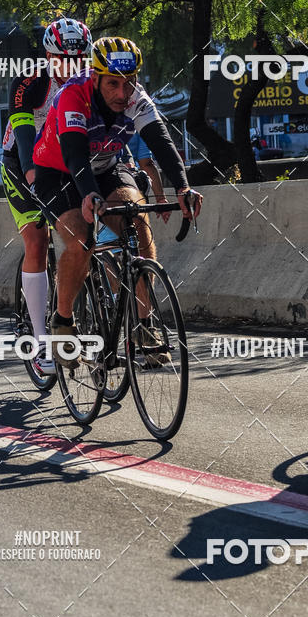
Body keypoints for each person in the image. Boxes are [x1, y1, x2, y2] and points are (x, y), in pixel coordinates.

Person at [32, 36, 202, 372]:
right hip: (60, 171)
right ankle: (63, 321)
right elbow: (74, 154)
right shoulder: (72, 96)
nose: (122, 94)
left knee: (137, 219)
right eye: (113, 84)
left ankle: (143, 325)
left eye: (130, 83)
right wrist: (89, 195)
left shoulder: (136, 98)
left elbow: (162, 142)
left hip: (107, 166)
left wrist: (182, 187)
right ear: (94, 78)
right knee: (80, 240)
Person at [2, 17, 92, 370]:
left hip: (66, 161)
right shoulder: (30, 81)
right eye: (63, 59)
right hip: (23, 161)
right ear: (48, 55)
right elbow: (25, 138)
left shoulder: (92, 82)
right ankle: (41, 343)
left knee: (86, 236)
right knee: (37, 244)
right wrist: (31, 173)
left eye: (80, 59)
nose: (72, 67)